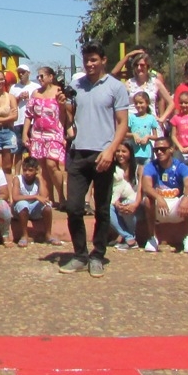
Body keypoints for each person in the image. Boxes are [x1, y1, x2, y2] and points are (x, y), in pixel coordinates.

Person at [57, 42, 130, 277]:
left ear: (103, 60)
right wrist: (61, 106)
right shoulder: (75, 86)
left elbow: (123, 123)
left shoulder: (116, 87)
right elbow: (67, 120)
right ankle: (80, 255)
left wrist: (111, 150)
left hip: (103, 153)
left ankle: (97, 255)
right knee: (74, 207)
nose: (89, 64)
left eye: (94, 60)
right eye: (86, 60)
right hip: (78, 152)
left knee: (102, 208)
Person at [23, 66, 69, 208]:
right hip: (37, 134)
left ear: (50, 77)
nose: (39, 79)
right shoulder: (35, 93)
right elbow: (29, 115)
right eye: (38, 76)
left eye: (42, 76)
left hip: (54, 133)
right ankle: (49, 197)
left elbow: (65, 113)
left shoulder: (59, 92)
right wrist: (25, 133)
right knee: (42, 167)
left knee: (52, 164)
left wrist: (65, 133)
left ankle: (62, 197)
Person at [141, 138, 188, 253]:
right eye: (156, 150)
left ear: (171, 149)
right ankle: (152, 238)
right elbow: (146, 187)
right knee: (147, 200)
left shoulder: (181, 166)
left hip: (177, 207)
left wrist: (186, 199)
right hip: (158, 206)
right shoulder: (151, 166)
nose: (159, 152)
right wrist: (158, 197)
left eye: (163, 149)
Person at [11, 157, 56, 247]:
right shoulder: (18, 179)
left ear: (36, 170)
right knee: (22, 204)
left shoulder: (38, 180)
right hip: (20, 209)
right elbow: (15, 197)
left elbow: (44, 196)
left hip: (34, 209)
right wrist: (35, 196)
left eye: (30, 170)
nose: (27, 173)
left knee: (47, 205)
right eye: (25, 170)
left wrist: (40, 179)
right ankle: (24, 235)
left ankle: (48, 234)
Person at [121, 51, 173, 123]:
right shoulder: (128, 83)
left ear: (148, 66)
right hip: (132, 123)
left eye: (142, 65)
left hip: (151, 122)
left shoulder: (156, 83)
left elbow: (171, 103)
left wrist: (162, 118)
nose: (139, 68)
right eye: (136, 65)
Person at [108, 142, 140, 251]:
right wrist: (116, 202)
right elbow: (112, 190)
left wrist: (135, 204)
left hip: (137, 203)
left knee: (127, 205)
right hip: (117, 201)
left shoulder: (139, 169)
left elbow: (141, 191)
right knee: (107, 208)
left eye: (124, 151)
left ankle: (128, 238)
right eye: (118, 151)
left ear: (130, 153)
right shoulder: (112, 169)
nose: (120, 154)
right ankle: (129, 238)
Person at [9, 64, 40, 151]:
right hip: (18, 122)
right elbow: (10, 104)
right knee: (17, 150)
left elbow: (41, 104)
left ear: (28, 73)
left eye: (23, 72)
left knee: (33, 149)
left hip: (33, 122)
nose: (20, 74)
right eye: (19, 72)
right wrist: (19, 97)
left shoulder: (37, 87)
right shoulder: (14, 87)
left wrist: (30, 99)